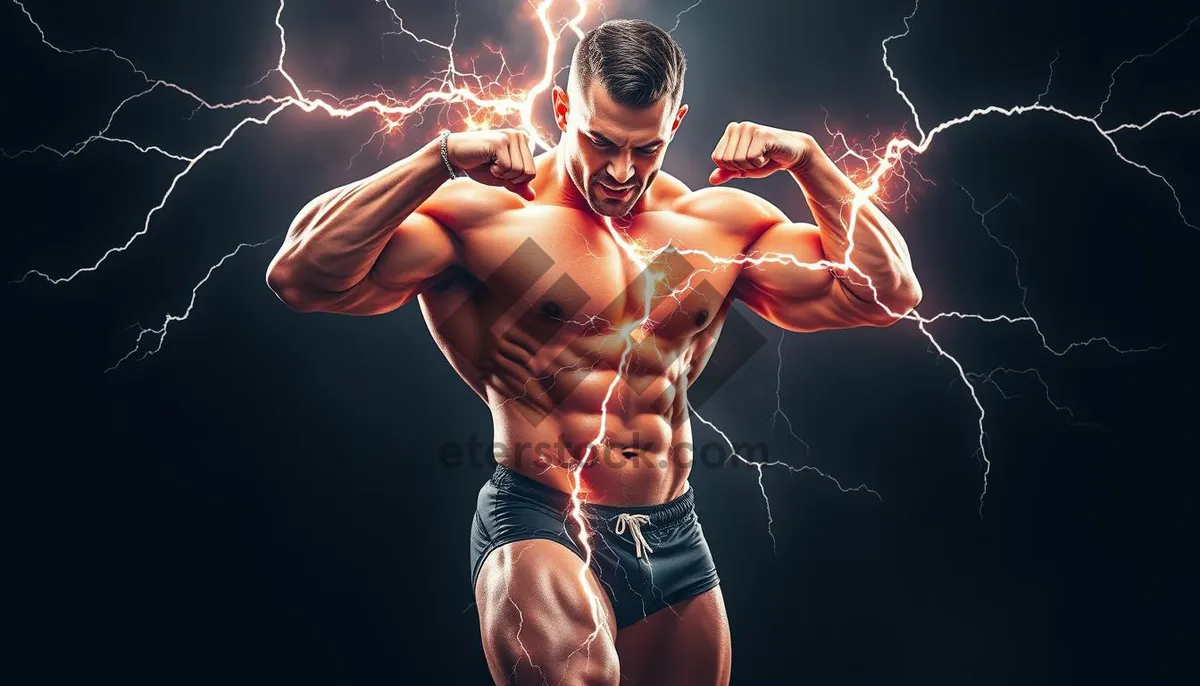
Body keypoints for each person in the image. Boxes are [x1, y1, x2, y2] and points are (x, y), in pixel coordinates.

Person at [266, 17, 921, 686]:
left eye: (645, 149)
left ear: (677, 124)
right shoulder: (486, 219)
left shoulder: (718, 227)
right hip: (541, 519)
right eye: (600, 140)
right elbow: (303, 274)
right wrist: (438, 159)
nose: (619, 171)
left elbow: (887, 294)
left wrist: (809, 161)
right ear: (560, 110)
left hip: (673, 532)